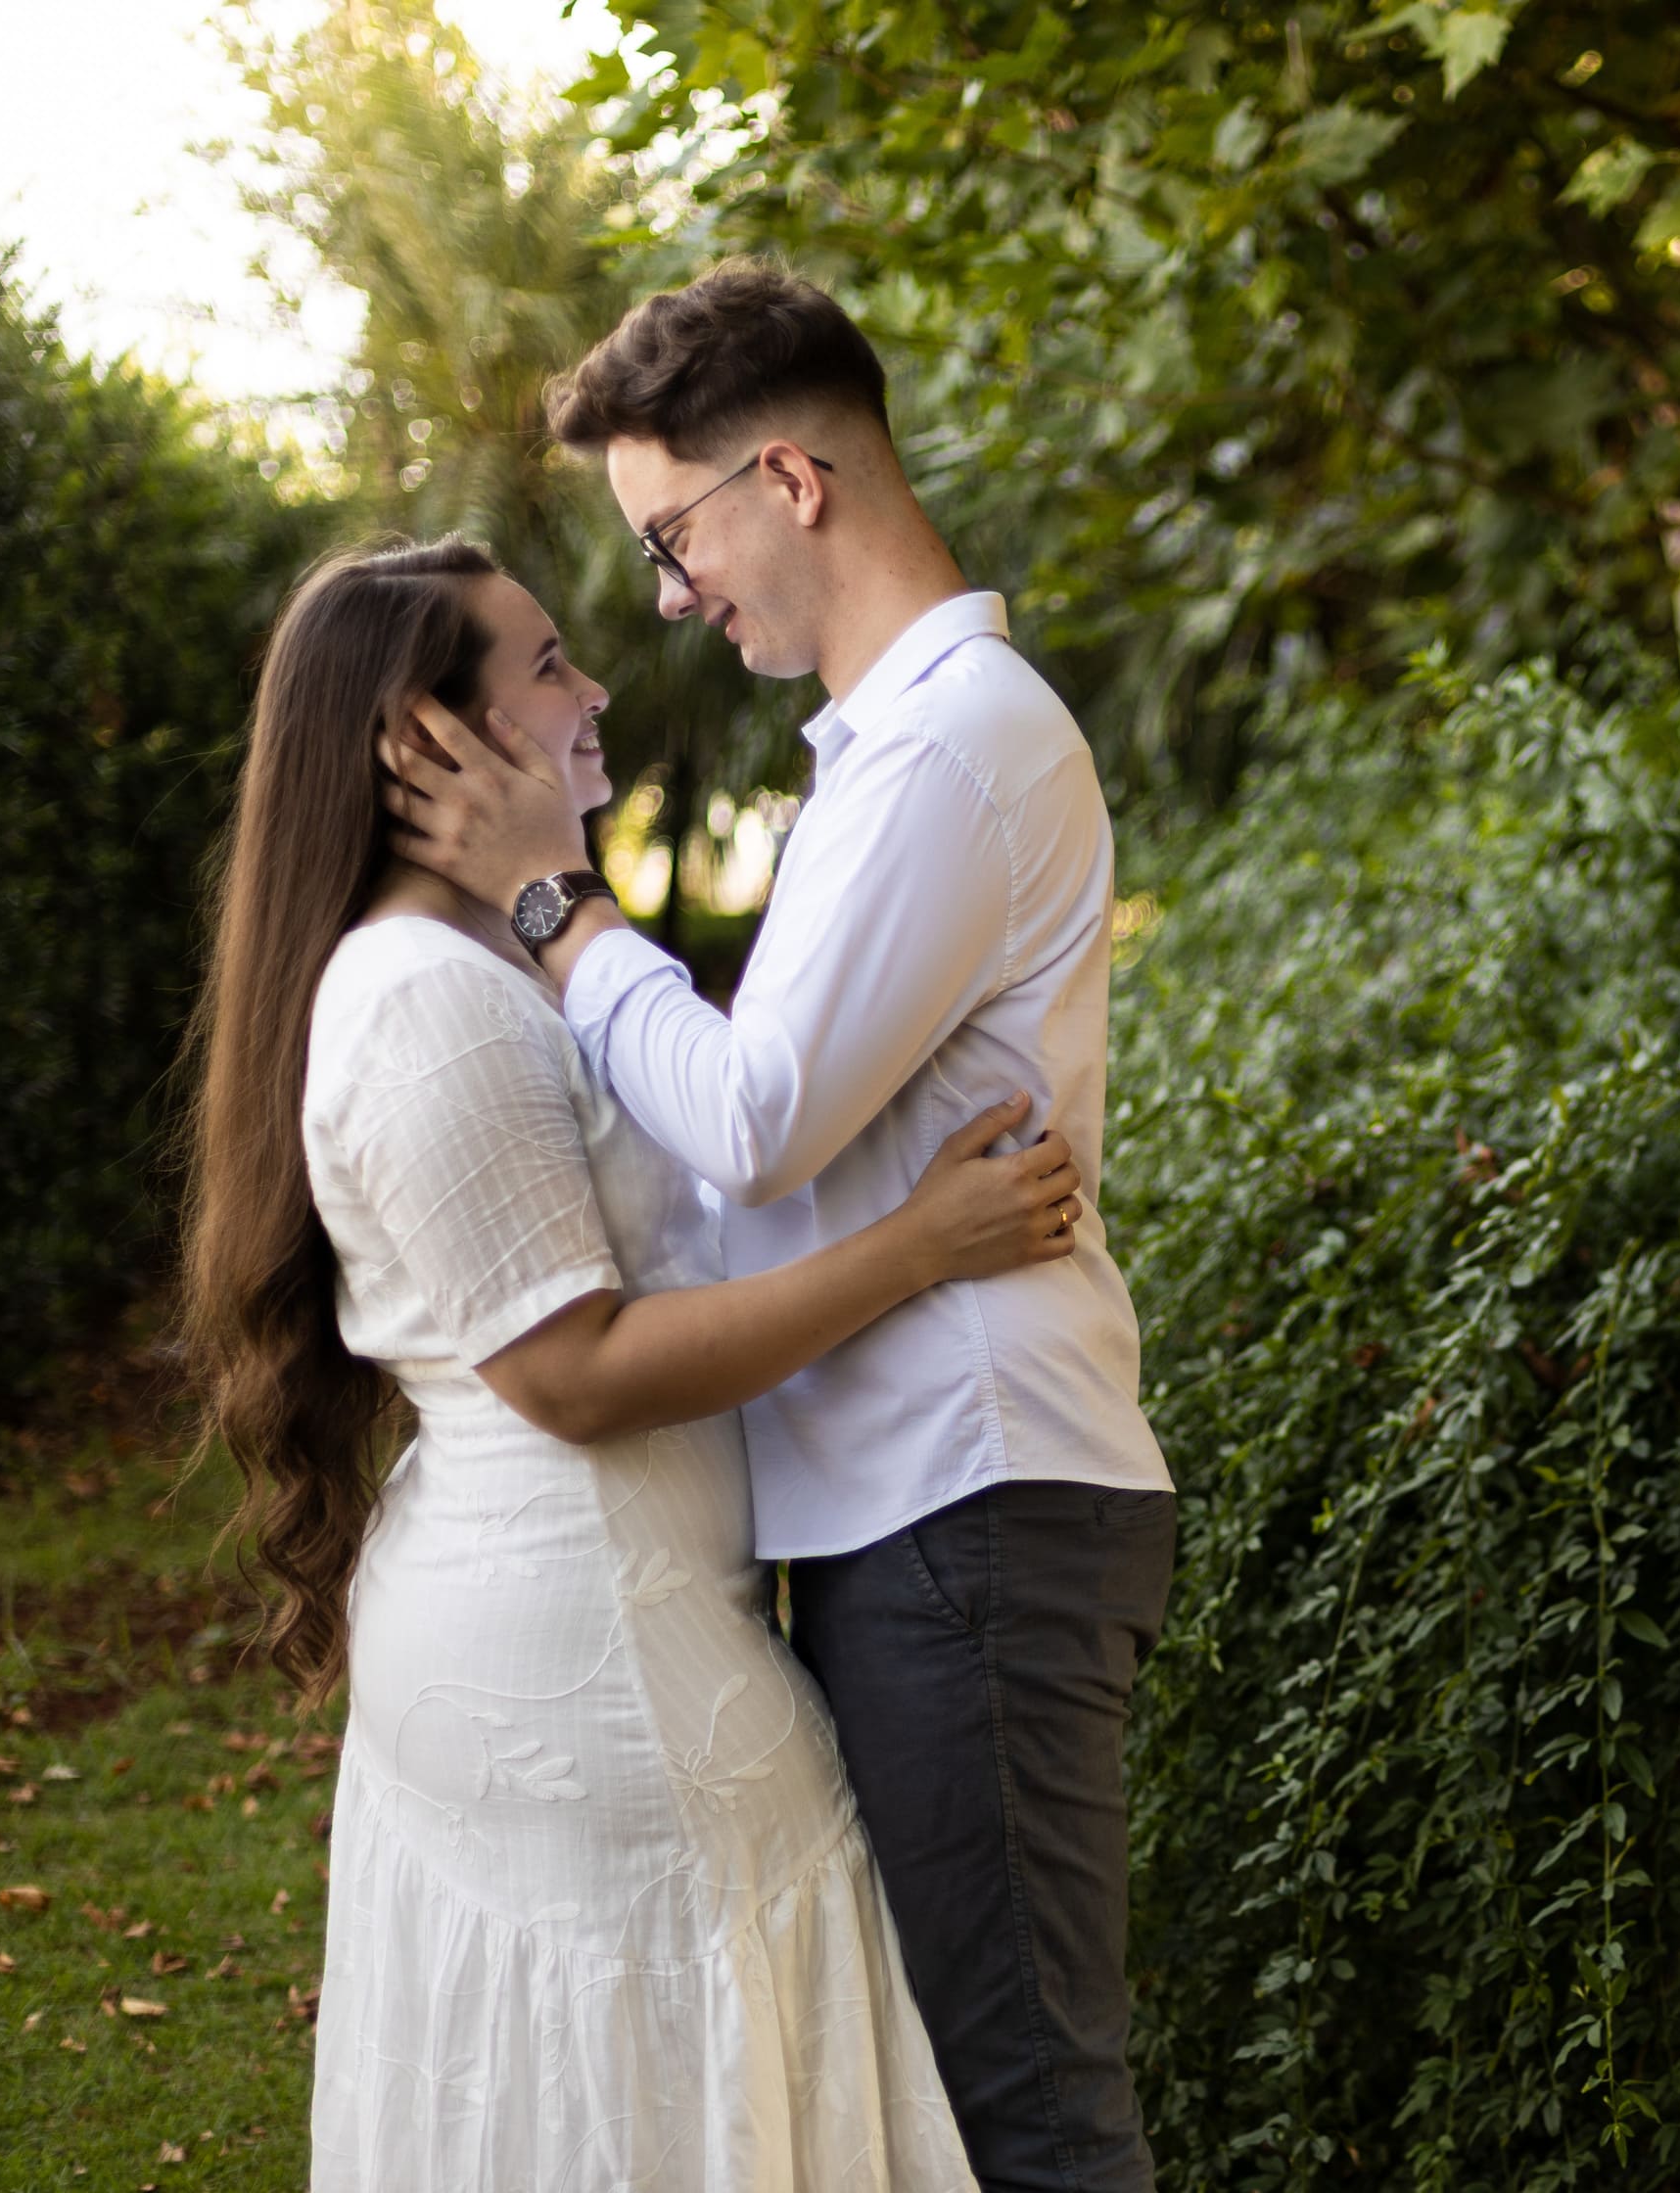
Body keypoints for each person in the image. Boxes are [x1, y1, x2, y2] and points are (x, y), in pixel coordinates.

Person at [380, 263, 1177, 2193]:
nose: (667, 592)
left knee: (1030, 2116)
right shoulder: (896, 746)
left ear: (790, 479)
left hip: (966, 1502)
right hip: (919, 1508)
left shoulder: (945, 746)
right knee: (967, 2103)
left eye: (673, 535)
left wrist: (553, 908)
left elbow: (753, 1118)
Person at [183, 537, 1093, 2187]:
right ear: (422, 742)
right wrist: (915, 1251)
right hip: (590, 1648)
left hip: (629, 1610)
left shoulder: (489, 975)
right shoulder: (420, 1002)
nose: (593, 687)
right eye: (544, 664)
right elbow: (577, 1372)